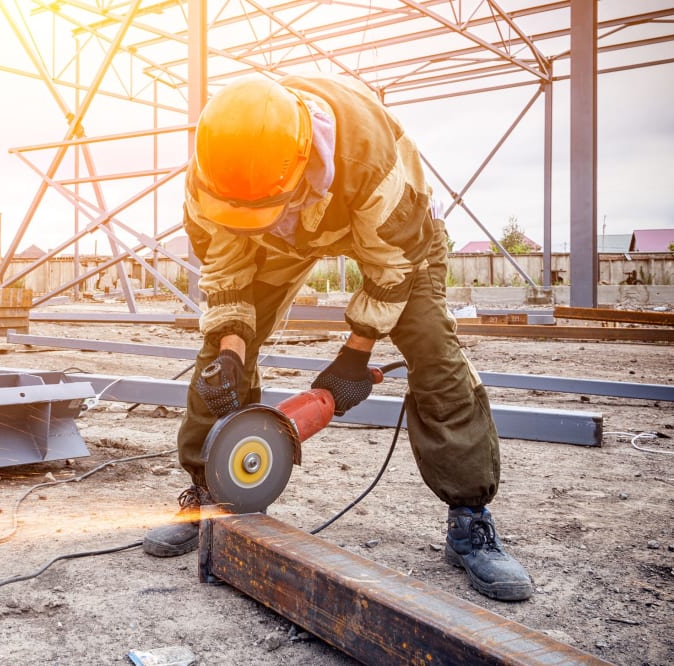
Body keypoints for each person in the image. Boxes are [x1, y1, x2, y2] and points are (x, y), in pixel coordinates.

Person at [142, 74, 533, 602]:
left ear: (303, 161)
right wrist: (233, 351)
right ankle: (212, 494)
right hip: (279, 239)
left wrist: (355, 355)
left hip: (396, 241)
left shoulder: (376, 166)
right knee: (216, 356)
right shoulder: (215, 178)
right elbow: (226, 272)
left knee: (433, 351)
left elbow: (391, 269)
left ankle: (470, 517)